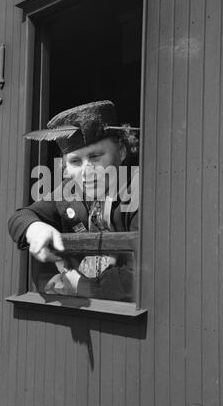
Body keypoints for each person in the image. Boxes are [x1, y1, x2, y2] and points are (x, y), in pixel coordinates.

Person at [8, 100, 139, 301]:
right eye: (75, 161)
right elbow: (20, 217)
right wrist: (35, 228)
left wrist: (76, 284)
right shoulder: (69, 192)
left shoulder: (140, 191)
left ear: (121, 151)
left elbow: (140, 278)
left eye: (95, 157)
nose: (87, 170)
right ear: (65, 168)